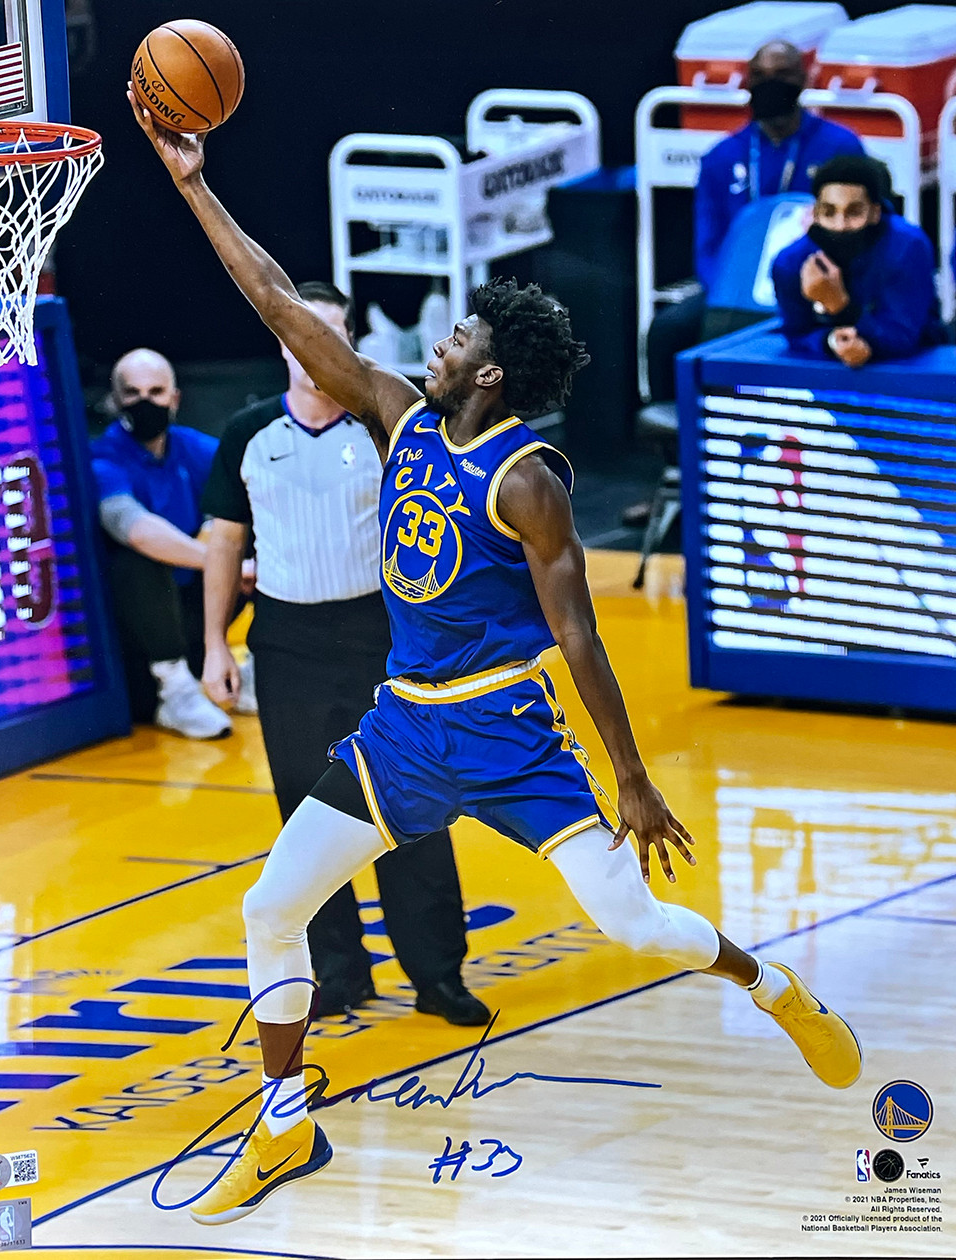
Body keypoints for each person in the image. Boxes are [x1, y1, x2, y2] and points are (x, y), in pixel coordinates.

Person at [129, 88, 863, 1228]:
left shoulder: (528, 478)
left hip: (509, 735)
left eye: (460, 337)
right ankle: (281, 1124)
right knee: (270, 908)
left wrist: (628, 773)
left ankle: (771, 986)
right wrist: (191, 183)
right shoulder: (394, 412)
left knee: (635, 928)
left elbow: (578, 633)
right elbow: (277, 301)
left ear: (492, 376)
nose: (437, 339)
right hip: (402, 729)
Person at [198, 279, 490, 1026]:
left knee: (413, 807)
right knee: (307, 813)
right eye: (300, 335)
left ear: (348, 345)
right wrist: (211, 646)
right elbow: (224, 543)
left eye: (327, 334)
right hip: (286, 643)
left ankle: (437, 974)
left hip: (379, 640)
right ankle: (336, 971)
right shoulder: (248, 434)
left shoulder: (388, 427)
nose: (311, 351)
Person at [645, 40, 866, 405]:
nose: (770, 84)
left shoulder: (841, 147)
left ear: (803, 79)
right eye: (760, 76)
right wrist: (728, 298)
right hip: (737, 287)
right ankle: (672, 439)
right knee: (669, 328)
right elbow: (708, 245)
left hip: (818, 282)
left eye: (782, 75)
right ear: (746, 84)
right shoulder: (721, 157)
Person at [90, 347, 256, 739]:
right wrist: (222, 562)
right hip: (135, 635)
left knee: (252, 539)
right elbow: (136, 529)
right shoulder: (102, 458)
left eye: (156, 391)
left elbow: (255, 491)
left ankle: (251, 669)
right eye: (132, 393)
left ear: (175, 398)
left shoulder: (192, 448)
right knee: (138, 560)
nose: (145, 402)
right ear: (115, 401)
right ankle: (176, 691)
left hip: (192, 615)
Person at [771, 154, 943, 364]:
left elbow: (903, 336)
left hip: (916, 364)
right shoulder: (790, 263)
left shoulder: (908, 247)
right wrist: (831, 342)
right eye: (829, 212)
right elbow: (796, 333)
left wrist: (841, 307)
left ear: (875, 212)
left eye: (853, 212)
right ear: (815, 214)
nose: (840, 224)